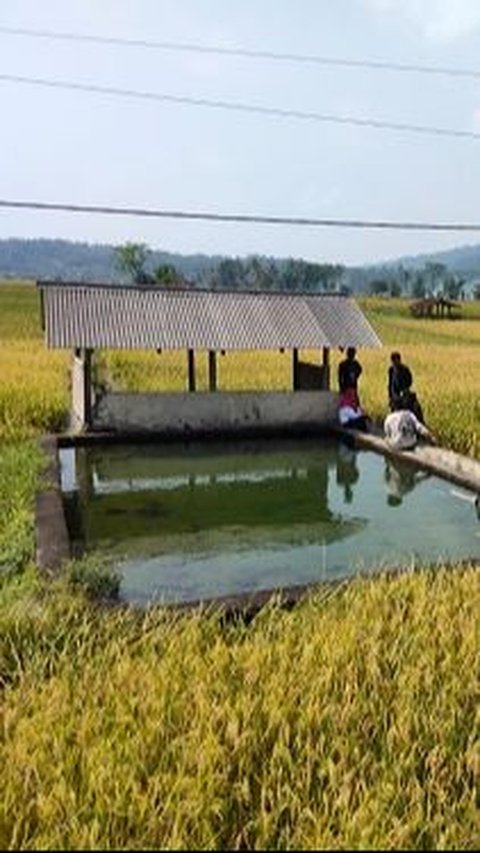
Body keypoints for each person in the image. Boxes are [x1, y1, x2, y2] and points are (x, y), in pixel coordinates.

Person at [388, 351, 425, 423]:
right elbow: (390, 383)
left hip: (404, 392)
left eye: (396, 360)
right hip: (394, 394)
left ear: (399, 360)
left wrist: (404, 390)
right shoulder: (391, 370)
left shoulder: (405, 369)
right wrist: (390, 395)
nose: (395, 363)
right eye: (393, 361)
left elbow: (409, 381)